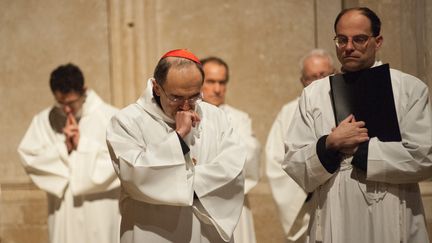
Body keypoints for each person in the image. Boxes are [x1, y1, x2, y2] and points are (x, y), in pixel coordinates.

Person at [282, 7, 432, 243]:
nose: (348, 47)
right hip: (335, 214)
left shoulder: (408, 89)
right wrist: (330, 144)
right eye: (342, 39)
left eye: (359, 39)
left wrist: (364, 151)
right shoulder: (314, 94)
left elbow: (425, 156)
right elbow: (294, 162)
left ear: (378, 41)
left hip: (391, 213)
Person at [106, 49, 246, 243]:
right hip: (153, 233)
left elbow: (233, 169)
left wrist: (179, 183)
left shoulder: (217, 117)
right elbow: (135, 176)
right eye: (176, 98)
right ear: (156, 87)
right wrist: (178, 137)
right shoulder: (127, 122)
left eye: (194, 96)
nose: (186, 106)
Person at [18, 63, 121, 243]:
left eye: (71, 102)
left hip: (100, 210)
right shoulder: (44, 120)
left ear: (84, 91)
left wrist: (83, 146)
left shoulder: (110, 117)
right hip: (64, 211)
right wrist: (62, 149)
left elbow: (122, 161)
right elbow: (29, 158)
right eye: (61, 103)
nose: (66, 109)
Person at [265, 49, 335, 243]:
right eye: (312, 78)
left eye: (325, 75)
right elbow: (276, 161)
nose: (319, 82)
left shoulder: (348, 104)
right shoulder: (289, 112)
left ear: (335, 74)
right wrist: (310, 179)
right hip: (308, 202)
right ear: (303, 82)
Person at [200, 56, 261, 243]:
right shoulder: (189, 116)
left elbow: (249, 154)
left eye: (222, 82)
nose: (217, 89)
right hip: (199, 203)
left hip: (233, 202)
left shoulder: (239, 119)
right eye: (210, 82)